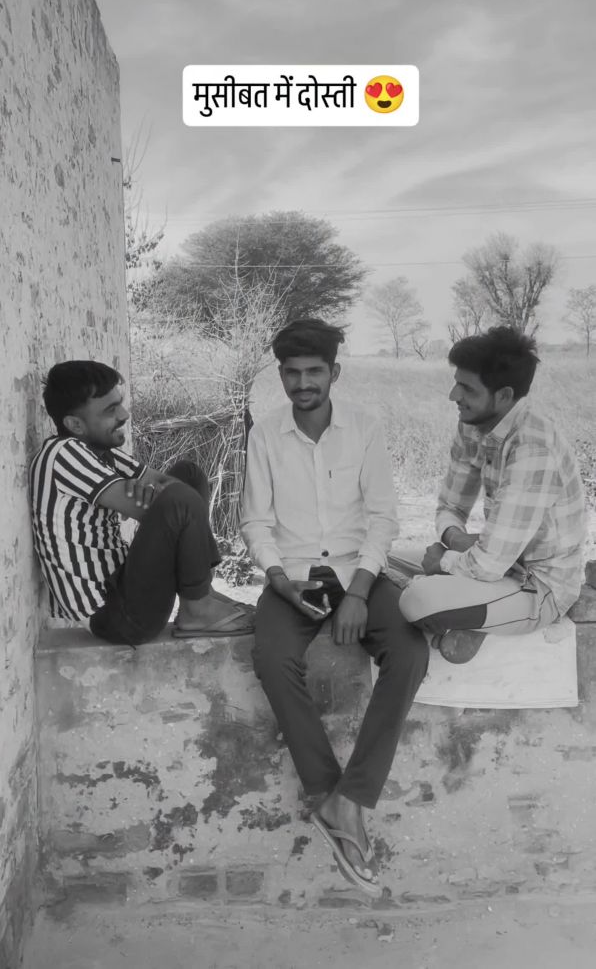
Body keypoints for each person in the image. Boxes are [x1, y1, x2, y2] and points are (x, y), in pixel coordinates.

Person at [239, 319, 428, 896]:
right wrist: (278, 581)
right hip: (292, 578)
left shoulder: (364, 428)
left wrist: (359, 593)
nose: (303, 383)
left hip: (357, 571)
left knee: (409, 652)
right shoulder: (265, 434)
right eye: (292, 373)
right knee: (272, 658)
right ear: (281, 376)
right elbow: (255, 522)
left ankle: (352, 798)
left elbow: (384, 520)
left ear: (334, 372)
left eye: (314, 371)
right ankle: (327, 795)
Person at [30, 360, 254, 645]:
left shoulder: (101, 451)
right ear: (75, 424)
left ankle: (201, 594)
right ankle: (197, 609)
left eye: (119, 404)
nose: (124, 415)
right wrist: (160, 496)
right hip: (115, 615)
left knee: (189, 475)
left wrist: (156, 493)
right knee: (181, 499)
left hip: (126, 583)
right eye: (110, 410)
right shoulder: (64, 453)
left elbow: (164, 484)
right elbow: (154, 505)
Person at [399, 327, 586, 663]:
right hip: (496, 562)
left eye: (467, 388)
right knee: (382, 561)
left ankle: (473, 617)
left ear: (503, 395)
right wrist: (456, 541)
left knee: (418, 598)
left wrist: (443, 562)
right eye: (456, 382)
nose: (453, 395)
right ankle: (473, 616)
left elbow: (486, 566)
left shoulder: (533, 448)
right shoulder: (473, 423)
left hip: (538, 587)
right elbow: (450, 506)